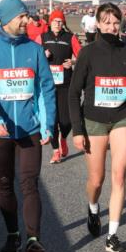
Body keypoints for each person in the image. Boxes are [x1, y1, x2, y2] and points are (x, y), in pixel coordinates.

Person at [0, 0, 55, 252]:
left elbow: (46, 88)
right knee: (5, 183)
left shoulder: (35, 50)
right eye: (22, 16)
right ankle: (13, 234)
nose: (27, 20)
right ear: (7, 19)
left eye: (27, 16)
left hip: (30, 129)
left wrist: (47, 124)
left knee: (30, 183)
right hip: (0, 132)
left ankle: (33, 240)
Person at [68, 3, 126, 252]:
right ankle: (93, 207)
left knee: (119, 176)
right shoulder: (88, 53)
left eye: (116, 22)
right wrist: (77, 130)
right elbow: (73, 93)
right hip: (94, 121)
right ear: (98, 24)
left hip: (122, 119)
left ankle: (112, 236)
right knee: (97, 180)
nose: (112, 27)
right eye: (107, 22)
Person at [41, 10, 82, 164]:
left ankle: (63, 137)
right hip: (47, 84)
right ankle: (56, 151)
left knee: (66, 120)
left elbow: (82, 55)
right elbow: (32, 56)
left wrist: (72, 62)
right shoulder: (43, 37)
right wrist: (42, 54)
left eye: (60, 21)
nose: (57, 24)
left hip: (65, 83)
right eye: (55, 21)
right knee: (52, 119)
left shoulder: (70, 38)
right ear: (50, 22)